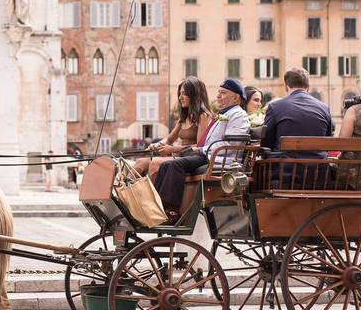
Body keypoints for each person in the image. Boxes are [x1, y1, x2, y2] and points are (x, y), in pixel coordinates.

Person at [153, 79, 250, 215]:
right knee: (165, 165)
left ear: (235, 97)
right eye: (218, 93)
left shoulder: (238, 115)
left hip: (220, 158)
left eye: (223, 93)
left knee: (175, 165)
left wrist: (202, 149)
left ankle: (172, 211)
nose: (217, 96)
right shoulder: (225, 113)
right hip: (210, 155)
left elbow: (233, 144)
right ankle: (157, 207)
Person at [133, 77, 212, 176]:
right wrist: (157, 144)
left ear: (194, 95)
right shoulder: (184, 118)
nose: (180, 97)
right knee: (140, 162)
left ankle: (155, 192)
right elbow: (169, 139)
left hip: (190, 159)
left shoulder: (203, 116)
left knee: (155, 164)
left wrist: (172, 149)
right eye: (180, 94)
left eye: (184, 94)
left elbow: (200, 147)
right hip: (179, 157)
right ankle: (123, 190)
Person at [260, 68, 333, 159]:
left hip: (284, 169)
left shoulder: (275, 107)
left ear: (286, 87)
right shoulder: (324, 108)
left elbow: (266, 142)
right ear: (308, 87)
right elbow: (327, 141)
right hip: (317, 169)